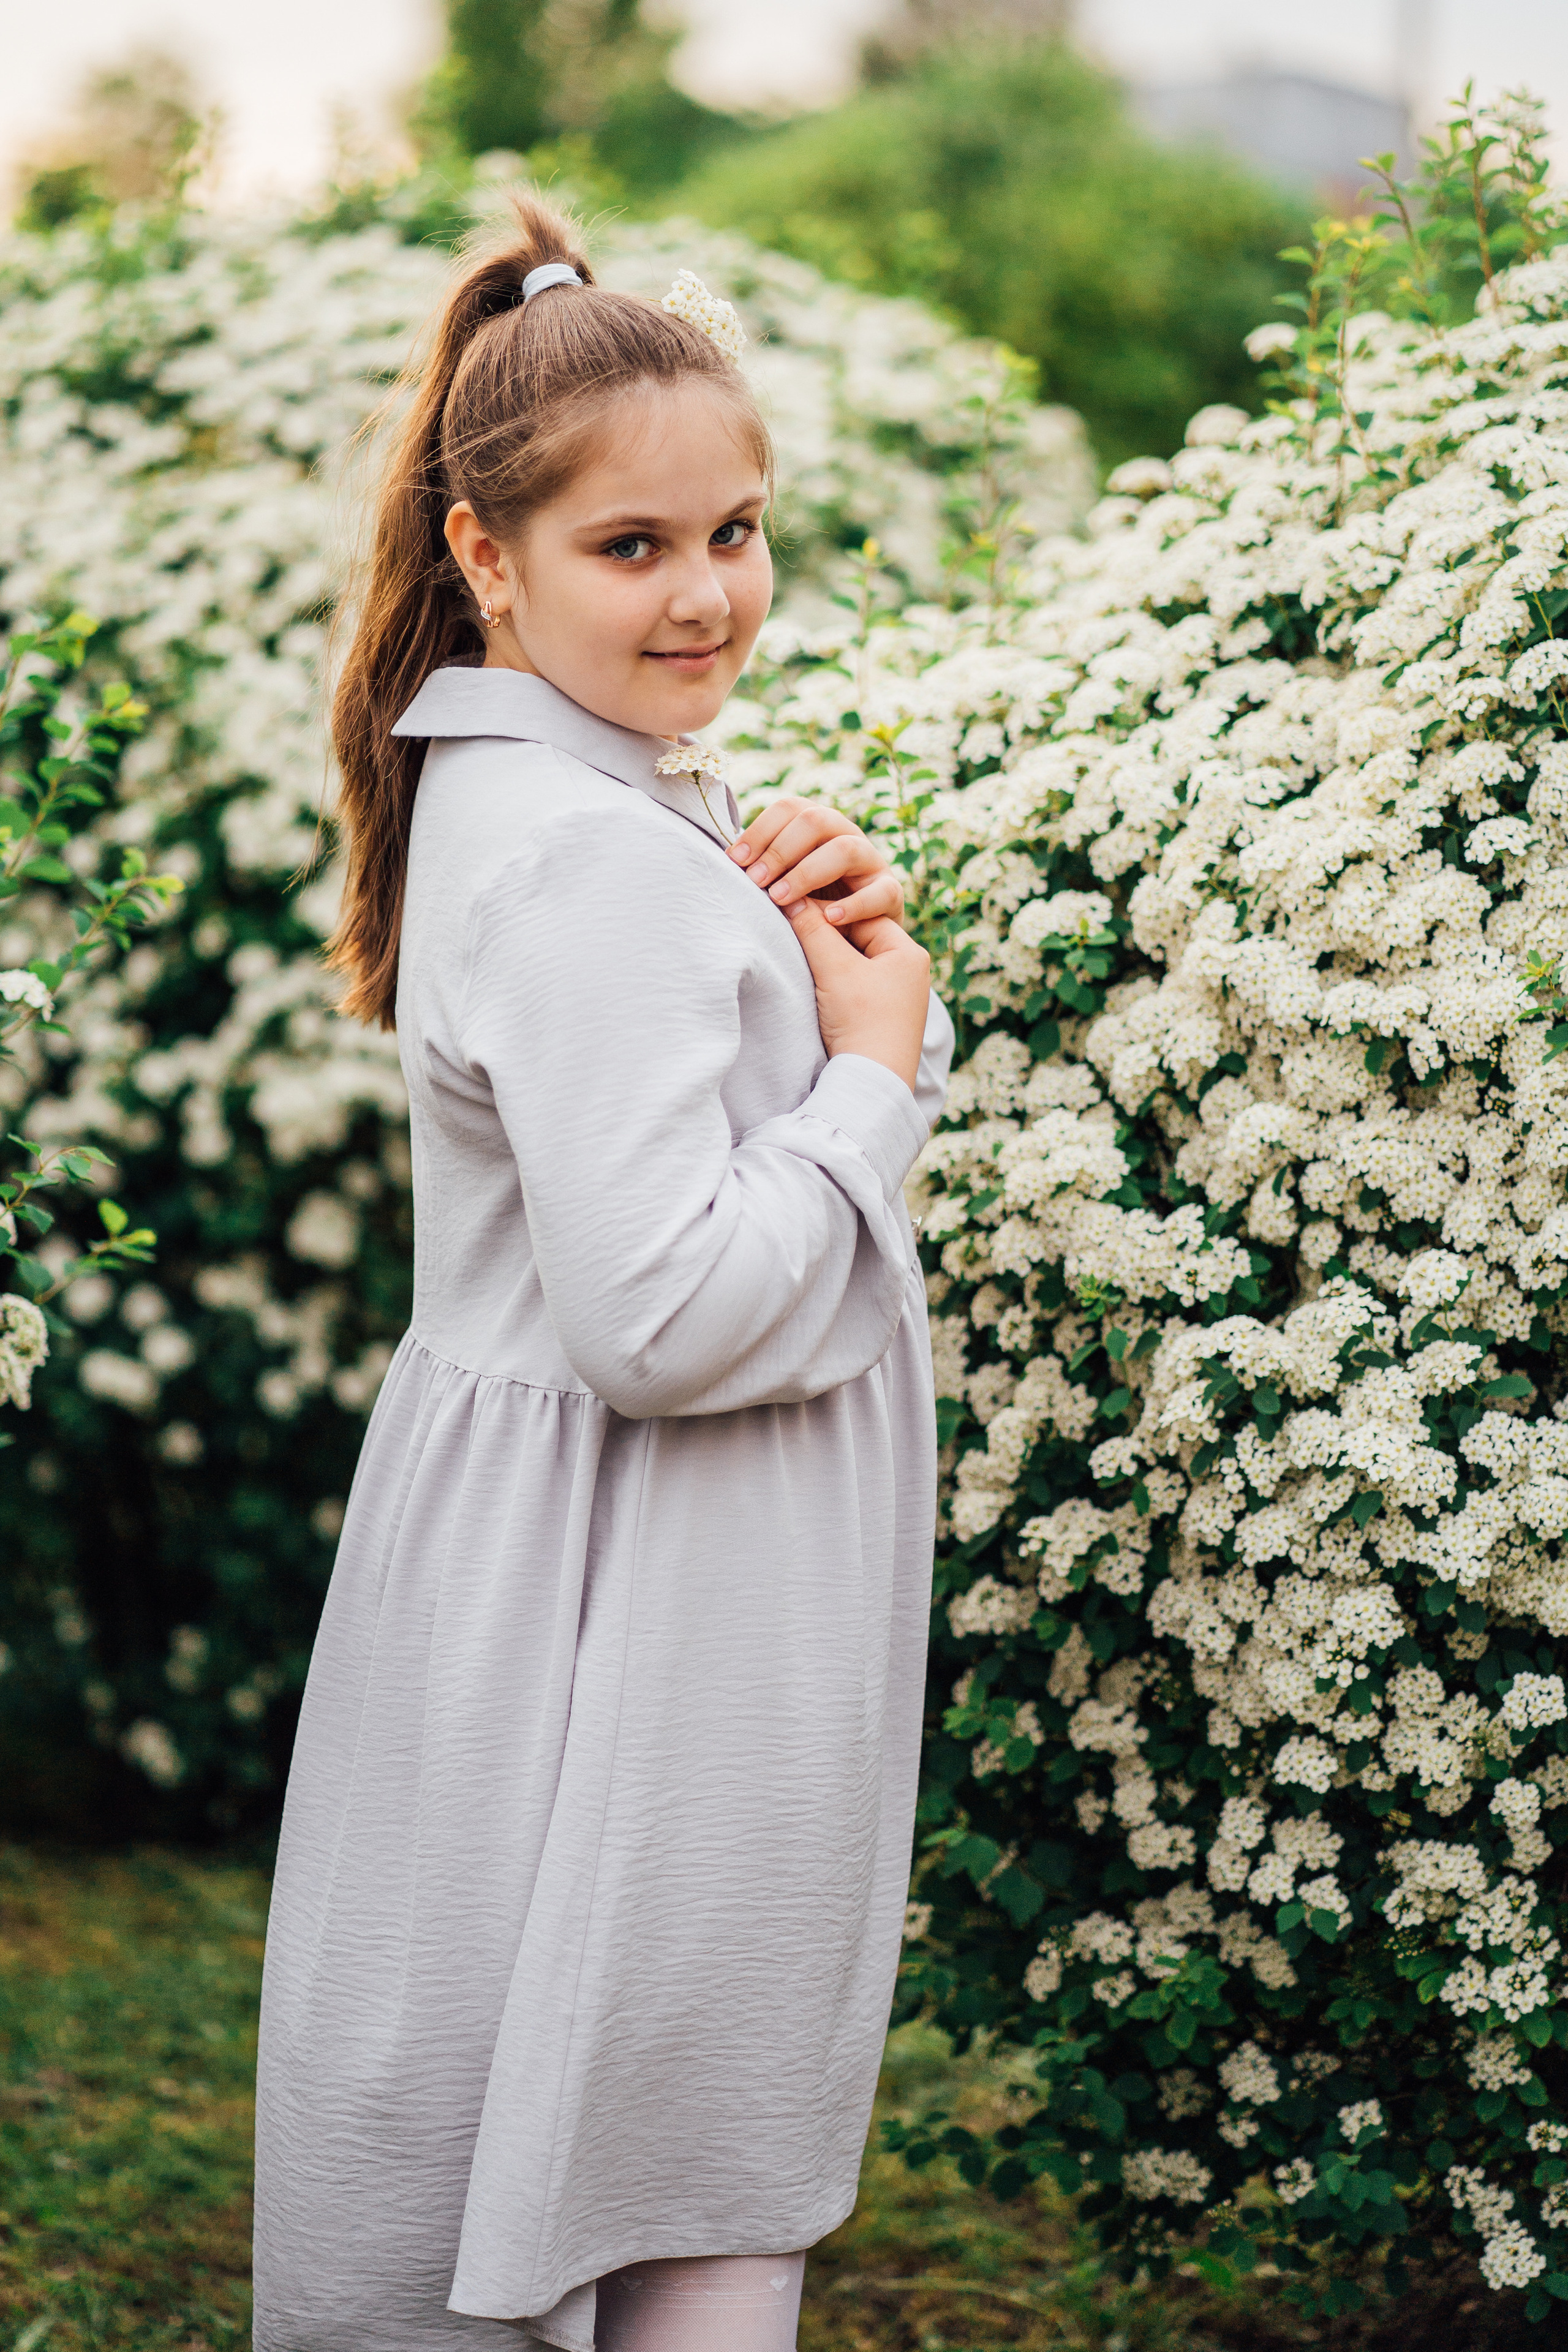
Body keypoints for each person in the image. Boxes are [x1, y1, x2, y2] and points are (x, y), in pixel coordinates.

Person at [252, 193, 953, 2352]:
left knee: (588, 2122)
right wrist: (873, 1072)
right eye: (631, 550)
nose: (707, 593)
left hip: (568, 1568)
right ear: (490, 560)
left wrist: (778, 909)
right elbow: (656, 1319)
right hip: (644, 1604)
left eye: (734, 531)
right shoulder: (583, 858)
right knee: (680, 2165)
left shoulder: (569, 802)